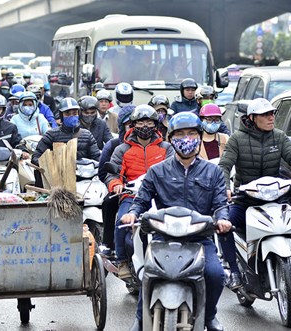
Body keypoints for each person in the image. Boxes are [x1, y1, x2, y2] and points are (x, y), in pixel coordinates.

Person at [121, 112, 232, 331]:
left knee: (215, 274)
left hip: (200, 238)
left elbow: (221, 204)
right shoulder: (157, 171)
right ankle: (140, 319)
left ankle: (209, 316)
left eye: (191, 133)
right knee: (149, 273)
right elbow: (141, 200)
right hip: (164, 237)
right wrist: (132, 213)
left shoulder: (213, 172)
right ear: (170, 138)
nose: (186, 138)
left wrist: (222, 220)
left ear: (200, 137)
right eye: (180, 134)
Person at [218, 97, 291, 288]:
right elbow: (224, 165)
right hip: (245, 201)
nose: (271, 117)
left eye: (272, 113)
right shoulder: (237, 139)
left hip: (275, 199)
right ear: (253, 118)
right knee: (224, 225)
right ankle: (233, 271)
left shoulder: (279, 136)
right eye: (266, 114)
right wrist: (225, 189)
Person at [105, 105, 174, 278]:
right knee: (122, 221)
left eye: (149, 122)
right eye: (141, 122)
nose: (145, 126)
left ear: (156, 125)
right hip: (131, 196)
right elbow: (112, 174)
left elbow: (175, 170)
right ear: (133, 125)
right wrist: (116, 184)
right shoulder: (122, 149)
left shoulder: (166, 148)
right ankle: (121, 261)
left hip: (160, 197)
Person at [98, 105, 136, 255]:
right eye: (129, 125)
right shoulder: (114, 146)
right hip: (122, 189)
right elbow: (103, 172)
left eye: (136, 124)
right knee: (109, 202)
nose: (133, 128)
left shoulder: (158, 146)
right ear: (122, 126)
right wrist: (116, 185)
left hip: (145, 189)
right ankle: (108, 242)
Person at [32, 97, 101, 166]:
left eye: (74, 113)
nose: (71, 116)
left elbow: (97, 157)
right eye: (67, 114)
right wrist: (51, 166)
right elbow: (36, 157)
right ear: (61, 116)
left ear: (78, 114)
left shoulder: (87, 135)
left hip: (84, 174)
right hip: (59, 175)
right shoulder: (51, 135)